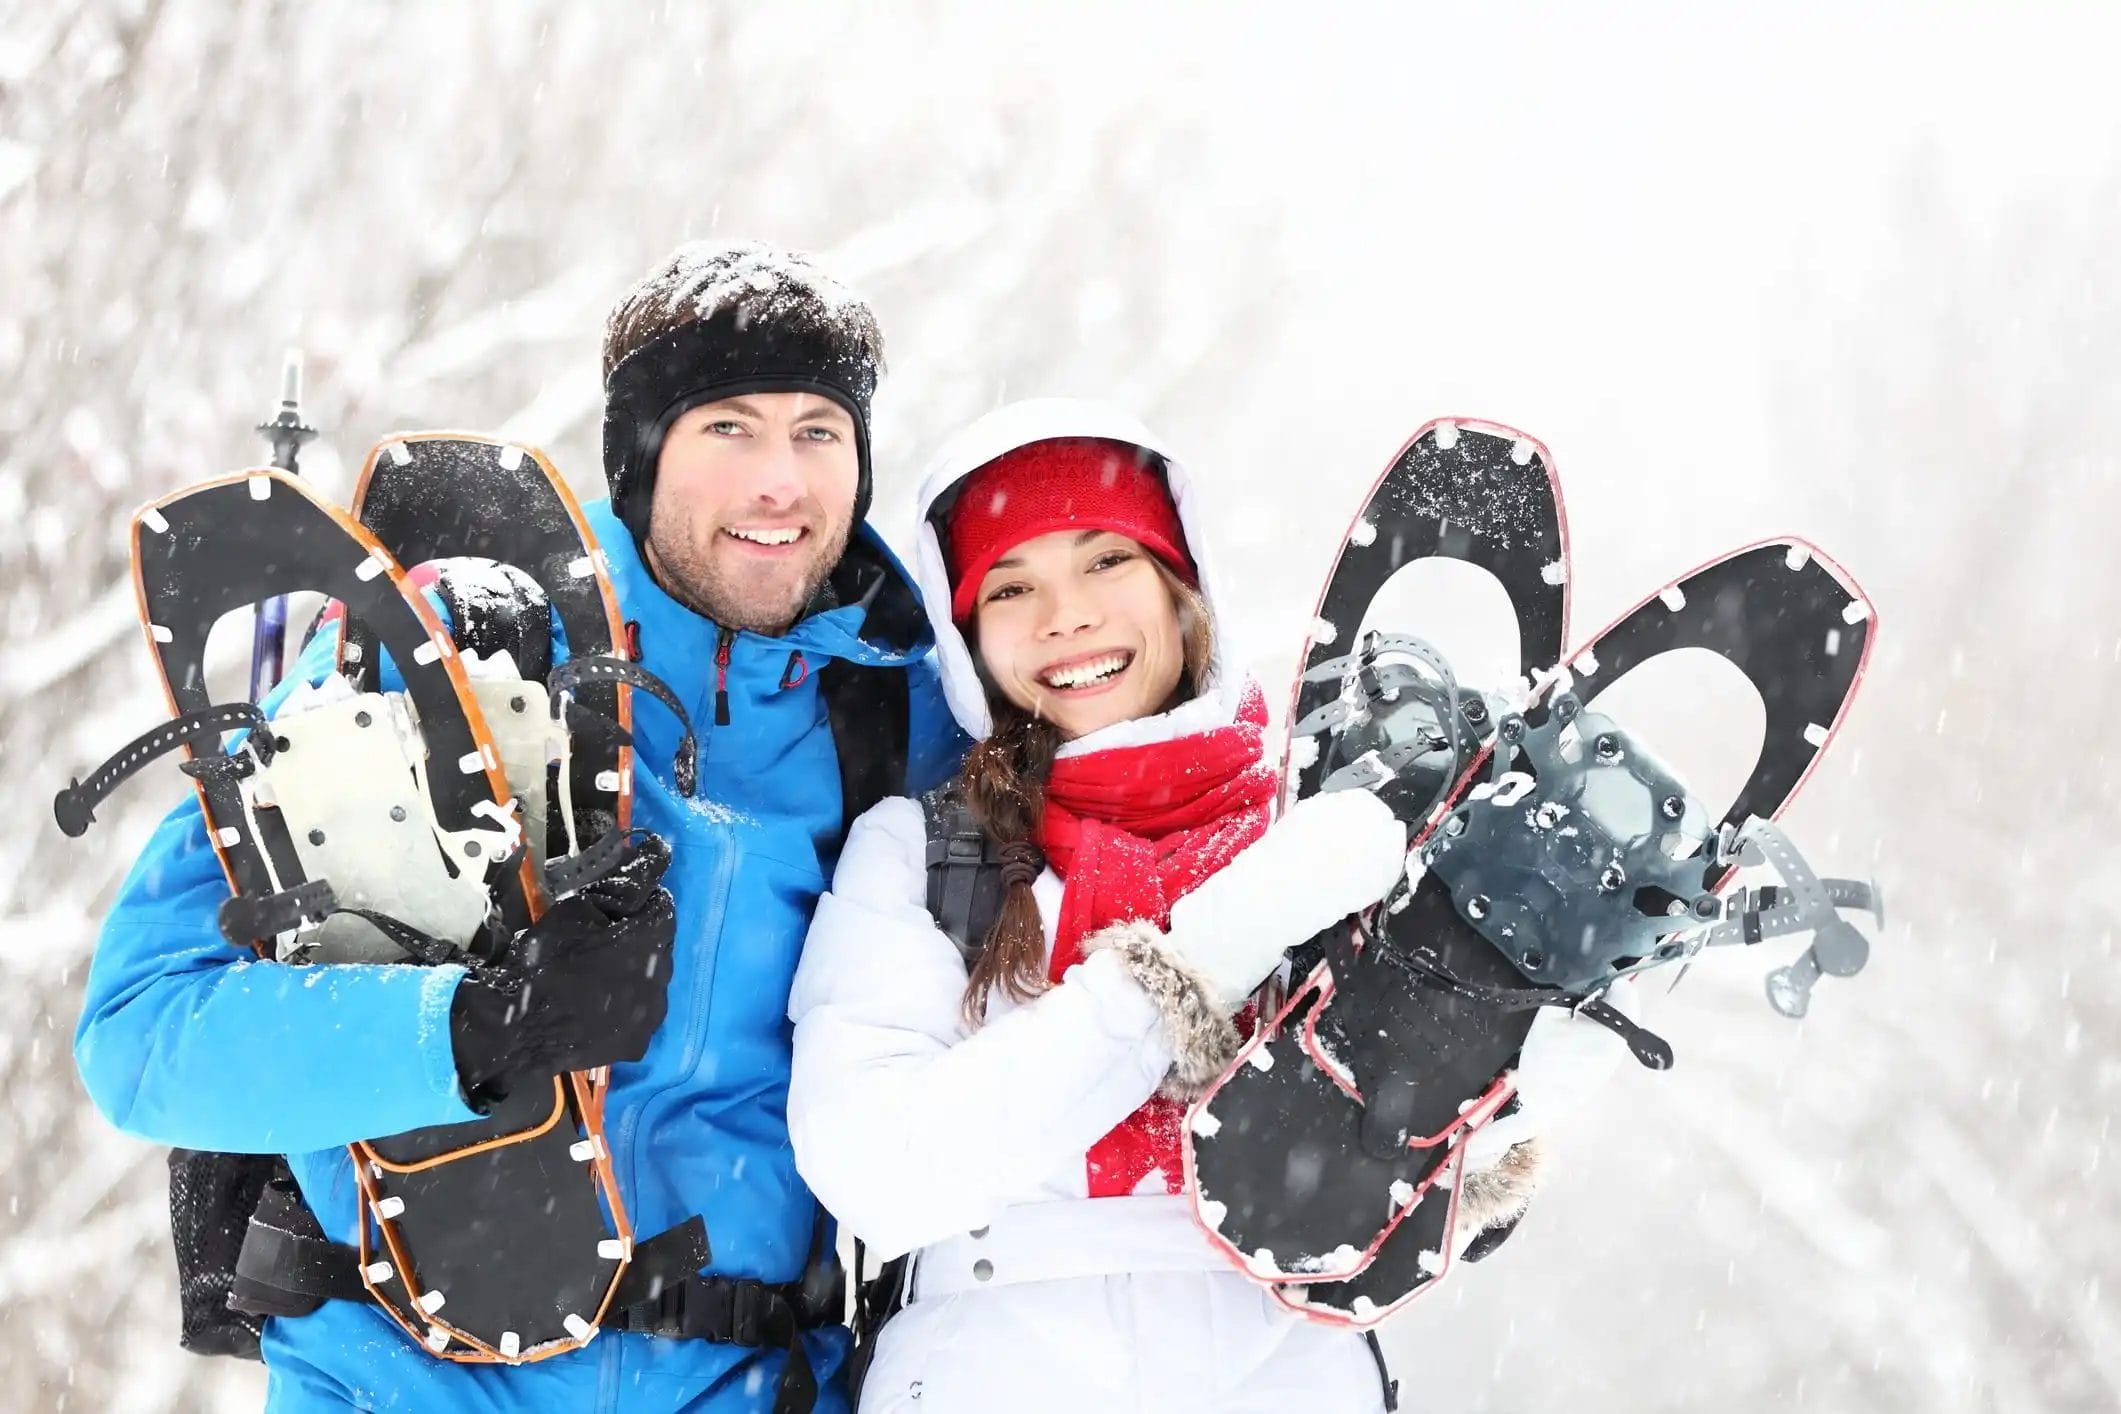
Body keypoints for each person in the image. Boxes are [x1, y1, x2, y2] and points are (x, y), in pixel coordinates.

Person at [72, 240, 963, 1412]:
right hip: (398, 1373)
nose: (780, 484)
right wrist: (474, 1029)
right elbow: (141, 1034)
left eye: (818, 432)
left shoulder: (903, 714)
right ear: (640, 458)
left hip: (745, 1379)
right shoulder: (447, 658)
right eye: (729, 429)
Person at [788, 398, 1492, 1412]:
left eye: (1105, 561)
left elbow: (1423, 1166)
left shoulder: (1323, 826)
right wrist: (1201, 956)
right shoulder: (931, 853)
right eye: (1011, 585)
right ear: (968, 636)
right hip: (991, 1360)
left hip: (1293, 1359)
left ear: (1182, 588)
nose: (1064, 615)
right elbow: (877, 1170)